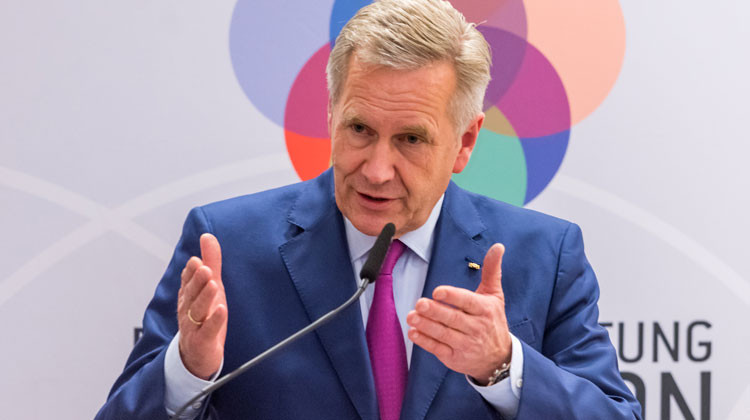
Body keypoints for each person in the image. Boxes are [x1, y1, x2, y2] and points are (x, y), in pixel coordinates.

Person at [96, 0, 641, 419]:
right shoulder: (227, 247)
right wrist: (188, 370)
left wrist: (504, 367)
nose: (377, 170)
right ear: (331, 115)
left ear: (465, 142)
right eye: (359, 128)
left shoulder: (544, 255)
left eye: (411, 139)